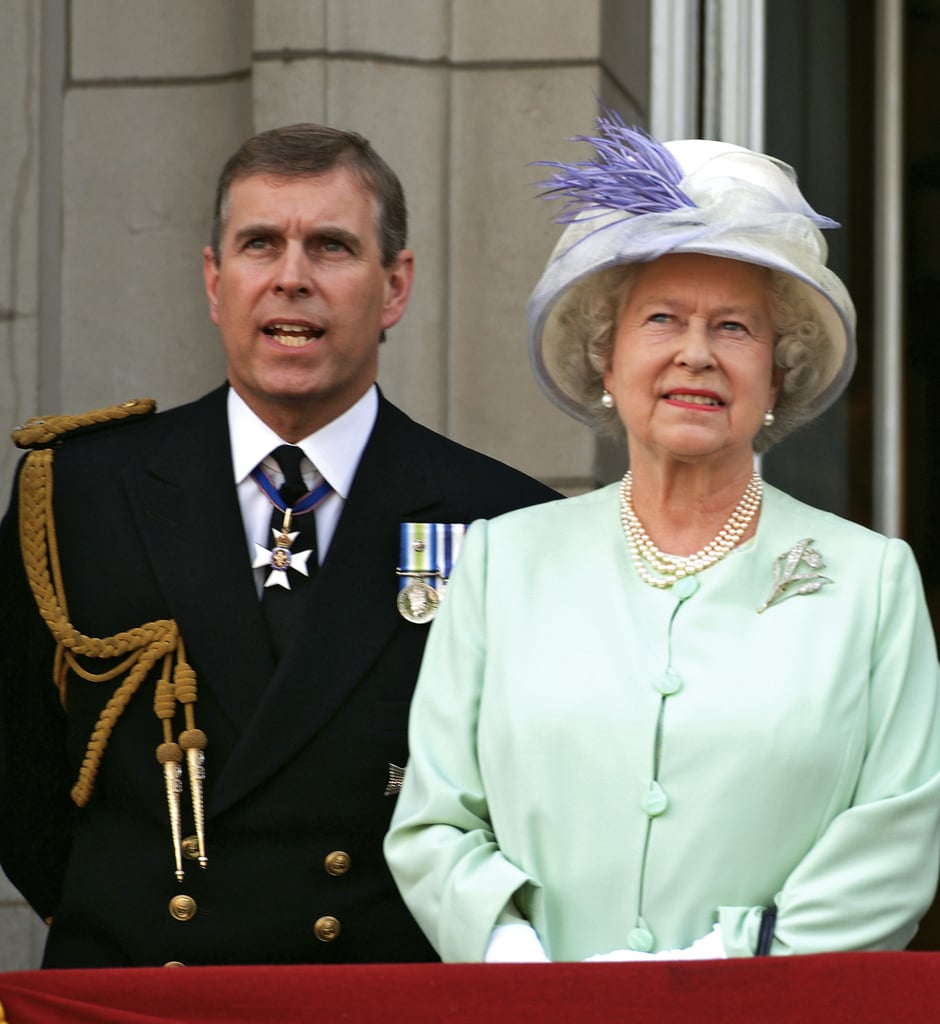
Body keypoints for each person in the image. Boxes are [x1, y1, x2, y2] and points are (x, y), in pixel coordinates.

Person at [384, 114, 940, 962]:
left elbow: (901, 834)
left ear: (777, 371)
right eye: (662, 320)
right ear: (605, 360)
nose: (696, 354)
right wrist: (516, 962)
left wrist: (718, 971)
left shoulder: (872, 581)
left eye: (734, 327)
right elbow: (433, 821)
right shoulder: (502, 563)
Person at [0, 122, 556, 968]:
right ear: (215, 281)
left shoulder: (503, 519)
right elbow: (17, 776)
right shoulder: (78, 492)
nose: (291, 279)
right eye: (260, 244)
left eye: (331, 247)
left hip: (370, 1003)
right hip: (144, 996)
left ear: (395, 286)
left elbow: (530, 807)